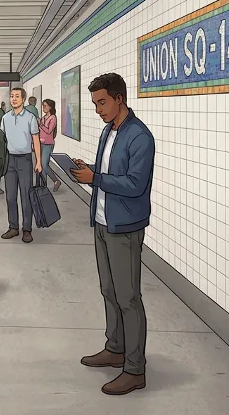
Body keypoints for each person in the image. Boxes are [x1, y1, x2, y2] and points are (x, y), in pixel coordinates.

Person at [70, 72, 155, 396]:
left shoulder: (140, 136)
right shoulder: (109, 132)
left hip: (125, 228)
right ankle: (115, 347)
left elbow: (135, 184)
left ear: (119, 98)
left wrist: (95, 178)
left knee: (128, 298)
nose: (98, 109)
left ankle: (135, 369)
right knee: (108, 290)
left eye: (102, 102)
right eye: (95, 103)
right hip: (103, 223)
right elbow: (106, 173)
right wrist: (88, 170)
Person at [0, 88, 42, 244]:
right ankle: (13, 227)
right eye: (12, 96)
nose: (13, 99)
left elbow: (36, 140)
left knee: (26, 196)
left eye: (17, 96)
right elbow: (2, 140)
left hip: (25, 160)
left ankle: (27, 229)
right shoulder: (5, 118)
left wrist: (38, 161)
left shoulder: (30, 117)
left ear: (23, 99)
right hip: (9, 160)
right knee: (10, 197)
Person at [39, 99, 62, 192]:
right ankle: (43, 186)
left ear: (50, 107)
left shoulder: (53, 118)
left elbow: (49, 131)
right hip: (40, 143)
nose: (44, 108)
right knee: (41, 165)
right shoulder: (43, 117)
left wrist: (40, 124)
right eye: (43, 106)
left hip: (48, 144)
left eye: (46, 106)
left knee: (44, 165)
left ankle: (56, 180)